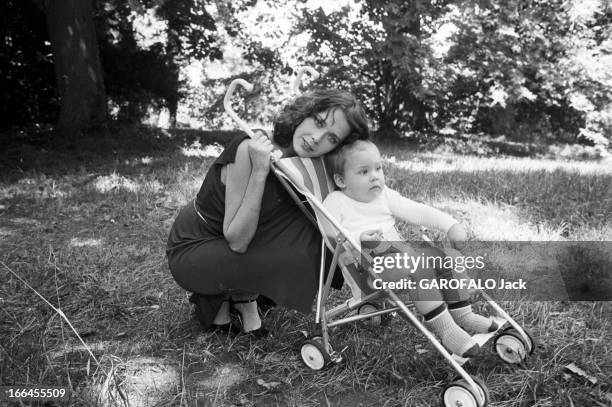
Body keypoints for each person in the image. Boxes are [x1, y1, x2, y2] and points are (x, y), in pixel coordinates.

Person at [166, 89, 370, 336]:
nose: (317, 138)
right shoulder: (250, 146)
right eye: (318, 122)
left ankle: (242, 298)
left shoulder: (311, 164)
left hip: (238, 246)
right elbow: (238, 240)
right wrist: (260, 172)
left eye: (332, 138)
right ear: (305, 113)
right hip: (197, 245)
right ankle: (230, 295)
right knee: (295, 249)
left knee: (312, 237)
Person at [323, 140, 498, 357]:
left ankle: (463, 315)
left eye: (378, 168)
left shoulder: (383, 195)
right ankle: (448, 330)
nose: (375, 176)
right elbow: (329, 233)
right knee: (418, 267)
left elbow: (416, 211)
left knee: (448, 258)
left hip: (403, 255)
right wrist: (358, 239)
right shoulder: (336, 201)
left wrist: (450, 225)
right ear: (341, 180)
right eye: (364, 172)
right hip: (371, 269)